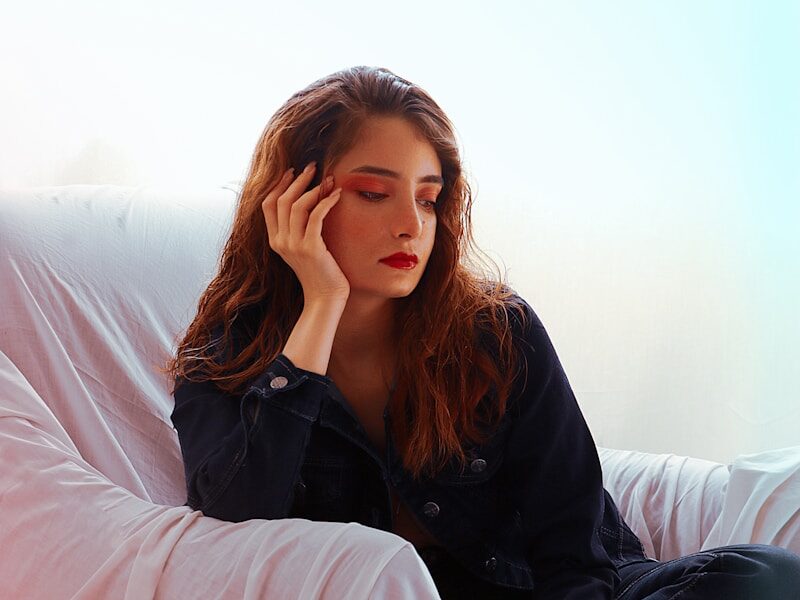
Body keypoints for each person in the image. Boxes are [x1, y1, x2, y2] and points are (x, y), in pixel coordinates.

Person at [167, 66, 800, 599]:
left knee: (768, 577)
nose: (410, 224)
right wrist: (322, 304)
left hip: (571, 592)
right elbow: (236, 518)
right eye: (372, 193)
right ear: (293, 199)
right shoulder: (224, 360)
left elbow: (573, 540)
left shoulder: (497, 332)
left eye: (428, 198)